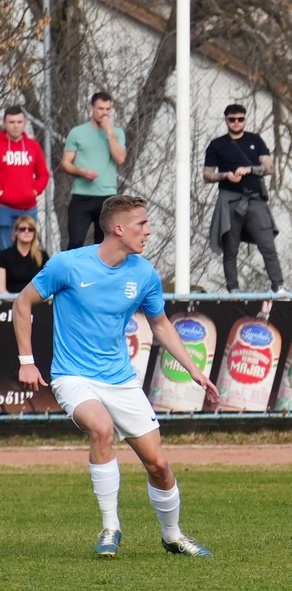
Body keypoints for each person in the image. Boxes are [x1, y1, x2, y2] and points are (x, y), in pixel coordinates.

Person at [11, 194, 217, 557]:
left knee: (158, 465)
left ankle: (172, 536)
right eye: (142, 224)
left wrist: (194, 370)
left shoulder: (144, 273)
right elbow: (22, 303)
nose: (148, 231)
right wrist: (26, 361)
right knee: (101, 428)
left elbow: (160, 325)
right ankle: (110, 527)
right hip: (73, 376)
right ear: (118, 228)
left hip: (120, 379)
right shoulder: (68, 265)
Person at [204, 103, 285, 293]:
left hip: (255, 200)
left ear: (245, 120)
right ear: (226, 121)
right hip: (230, 202)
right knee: (230, 248)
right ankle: (233, 290)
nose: (236, 122)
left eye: (240, 119)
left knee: (267, 245)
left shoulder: (255, 140)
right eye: (232, 119)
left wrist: (250, 170)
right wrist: (225, 175)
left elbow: (269, 168)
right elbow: (207, 175)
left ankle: (278, 287)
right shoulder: (217, 145)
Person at [60, 91, 126, 248]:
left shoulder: (117, 133)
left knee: (103, 245)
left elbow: (120, 158)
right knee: (75, 243)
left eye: (108, 109)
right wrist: (81, 172)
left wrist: (109, 132)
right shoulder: (77, 132)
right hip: (82, 195)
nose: (104, 113)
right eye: (101, 109)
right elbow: (65, 164)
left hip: (107, 196)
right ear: (92, 108)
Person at [0, 106, 48, 238]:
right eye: (11, 122)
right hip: (4, 208)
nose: (16, 126)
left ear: (24, 123)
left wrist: (34, 191)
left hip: (29, 209)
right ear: (5, 123)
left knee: (28, 248)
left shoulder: (33, 146)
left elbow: (43, 174)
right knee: (6, 249)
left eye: (19, 122)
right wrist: (2, 193)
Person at [0, 214, 47, 296]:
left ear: (34, 233)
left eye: (31, 229)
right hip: (11, 300)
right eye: (22, 229)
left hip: (37, 301)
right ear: (16, 232)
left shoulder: (42, 255)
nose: (26, 231)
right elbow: (1, 288)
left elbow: (47, 284)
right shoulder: (4, 255)